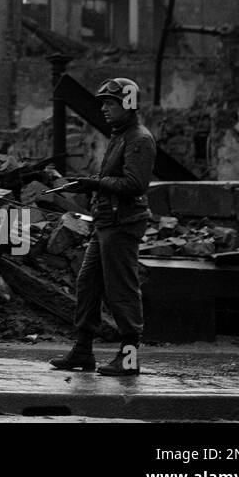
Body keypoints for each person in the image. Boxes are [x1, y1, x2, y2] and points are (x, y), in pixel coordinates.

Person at [51, 77, 154, 377]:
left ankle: (130, 356)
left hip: (123, 224)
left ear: (128, 105)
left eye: (111, 103)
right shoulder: (121, 134)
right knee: (88, 284)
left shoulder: (139, 139)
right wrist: (94, 185)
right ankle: (83, 350)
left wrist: (95, 182)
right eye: (104, 104)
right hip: (107, 222)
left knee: (121, 289)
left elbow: (135, 184)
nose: (105, 109)